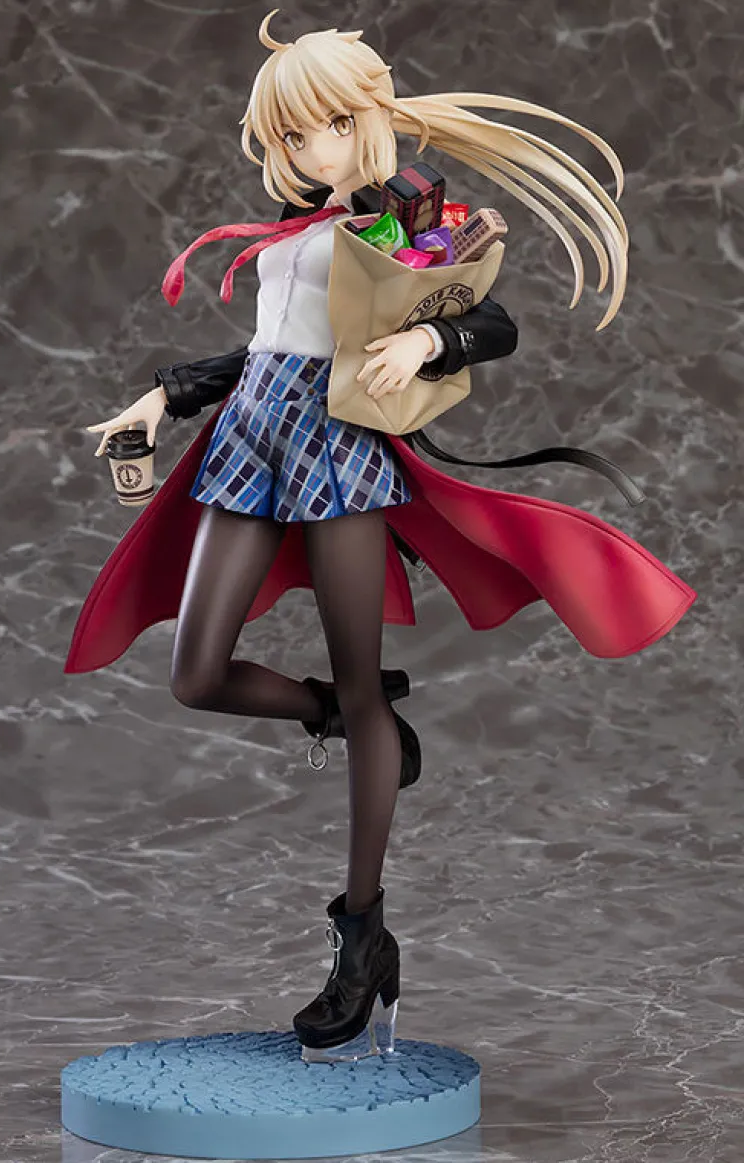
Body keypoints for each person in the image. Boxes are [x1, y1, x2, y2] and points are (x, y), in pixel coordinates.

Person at [66, 12, 696, 1064]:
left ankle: (363, 932)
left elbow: (492, 323)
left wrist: (428, 335)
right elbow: (269, 345)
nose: (307, 150)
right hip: (250, 437)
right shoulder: (293, 221)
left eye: (324, 127)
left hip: (339, 450)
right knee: (196, 673)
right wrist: (164, 395)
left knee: (362, 683)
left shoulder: (409, 215)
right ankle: (335, 713)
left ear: (368, 113)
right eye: (288, 135)